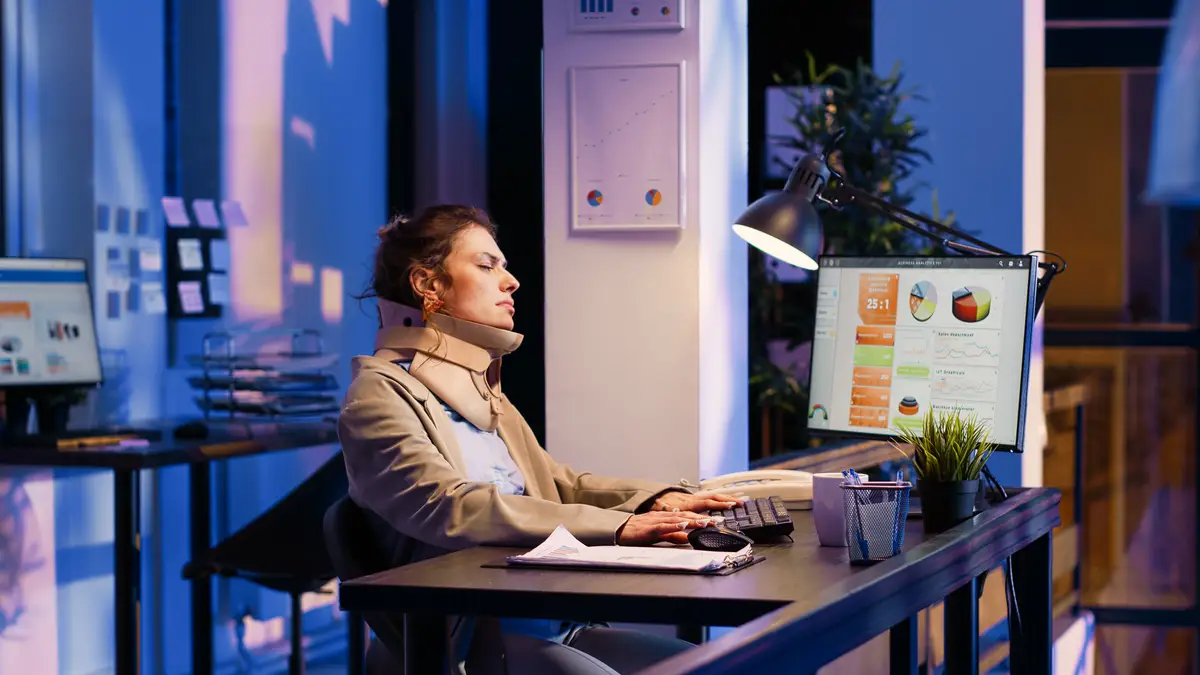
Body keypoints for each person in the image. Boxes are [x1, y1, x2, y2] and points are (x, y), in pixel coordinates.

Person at [339, 205, 744, 675]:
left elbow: (559, 485)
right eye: (488, 266)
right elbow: (446, 506)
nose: (510, 281)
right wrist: (615, 527)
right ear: (428, 285)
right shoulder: (378, 393)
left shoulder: (482, 391)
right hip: (475, 646)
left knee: (738, 665)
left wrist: (657, 501)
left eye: (505, 267)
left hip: (551, 623)